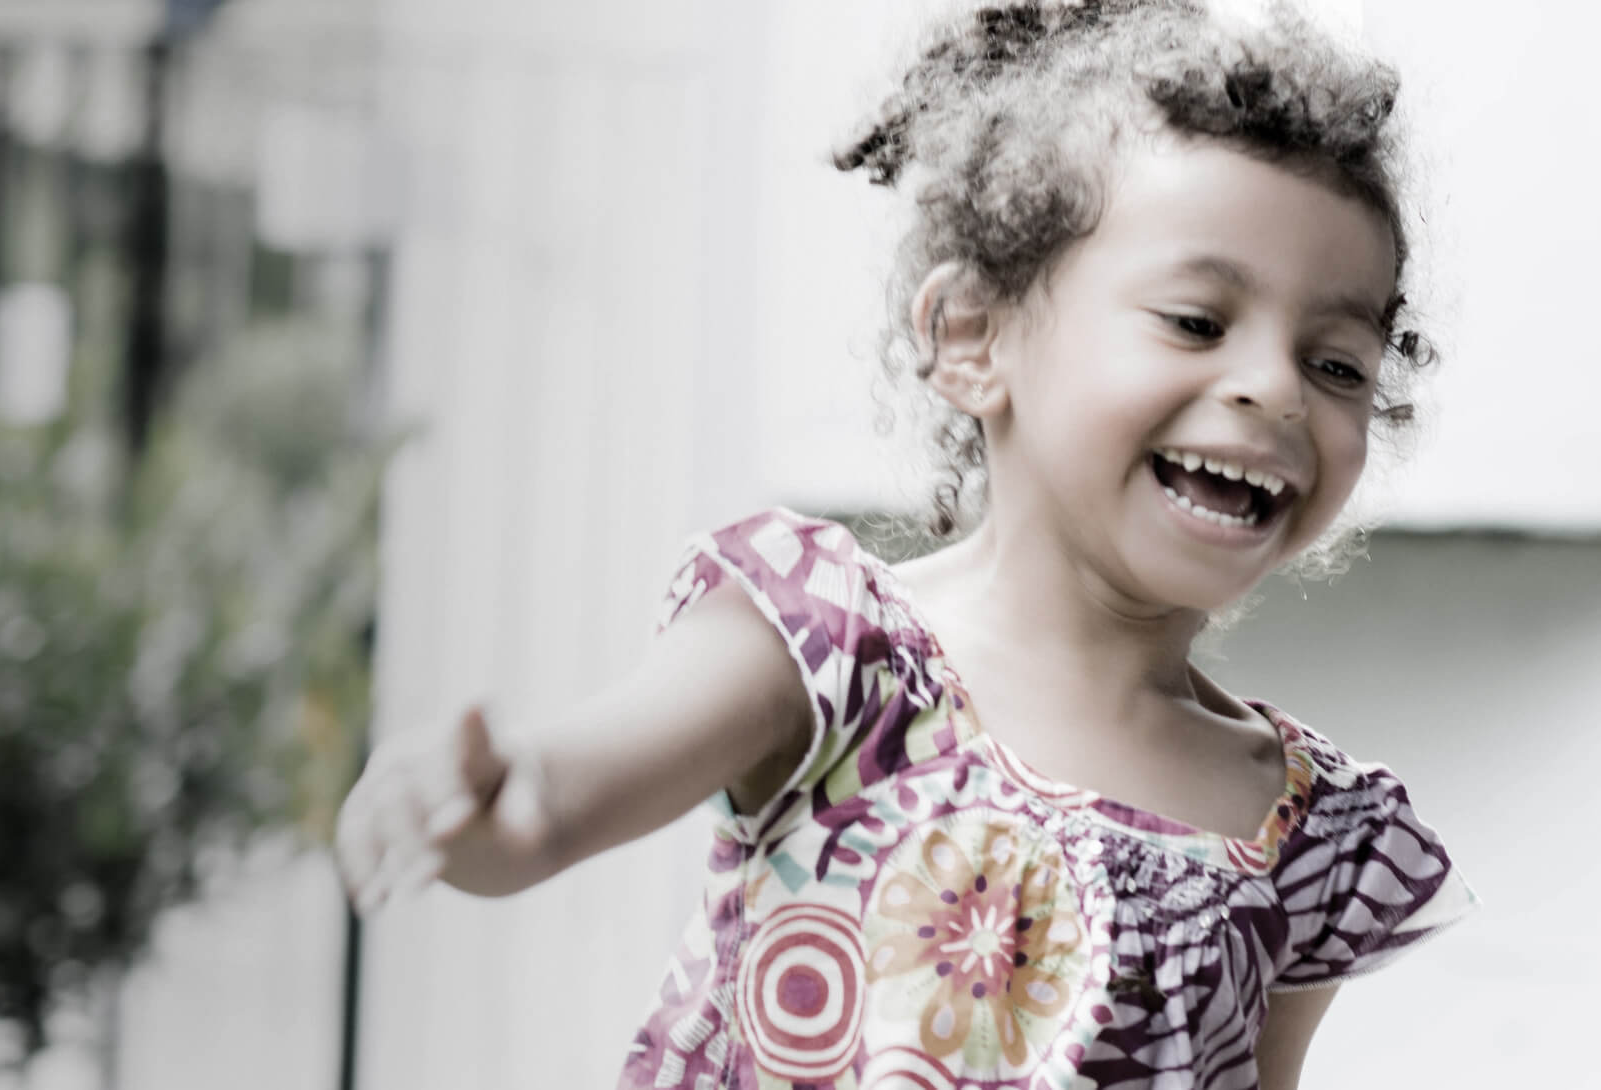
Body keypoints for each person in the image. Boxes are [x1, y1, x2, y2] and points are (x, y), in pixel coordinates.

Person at [334, 1, 1479, 1086]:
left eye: (1335, 364)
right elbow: (548, 808)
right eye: (1195, 321)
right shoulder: (830, 651)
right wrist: (473, 804)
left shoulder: (1314, 832)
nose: (1272, 389)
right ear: (972, 336)